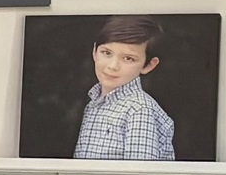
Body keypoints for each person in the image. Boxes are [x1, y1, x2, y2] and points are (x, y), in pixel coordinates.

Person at [74, 15, 176, 160]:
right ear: (95, 51)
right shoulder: (93, 106)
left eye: (128, 58)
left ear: (148, 65)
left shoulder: (139, 110)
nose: (113, 66)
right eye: (107, 53)